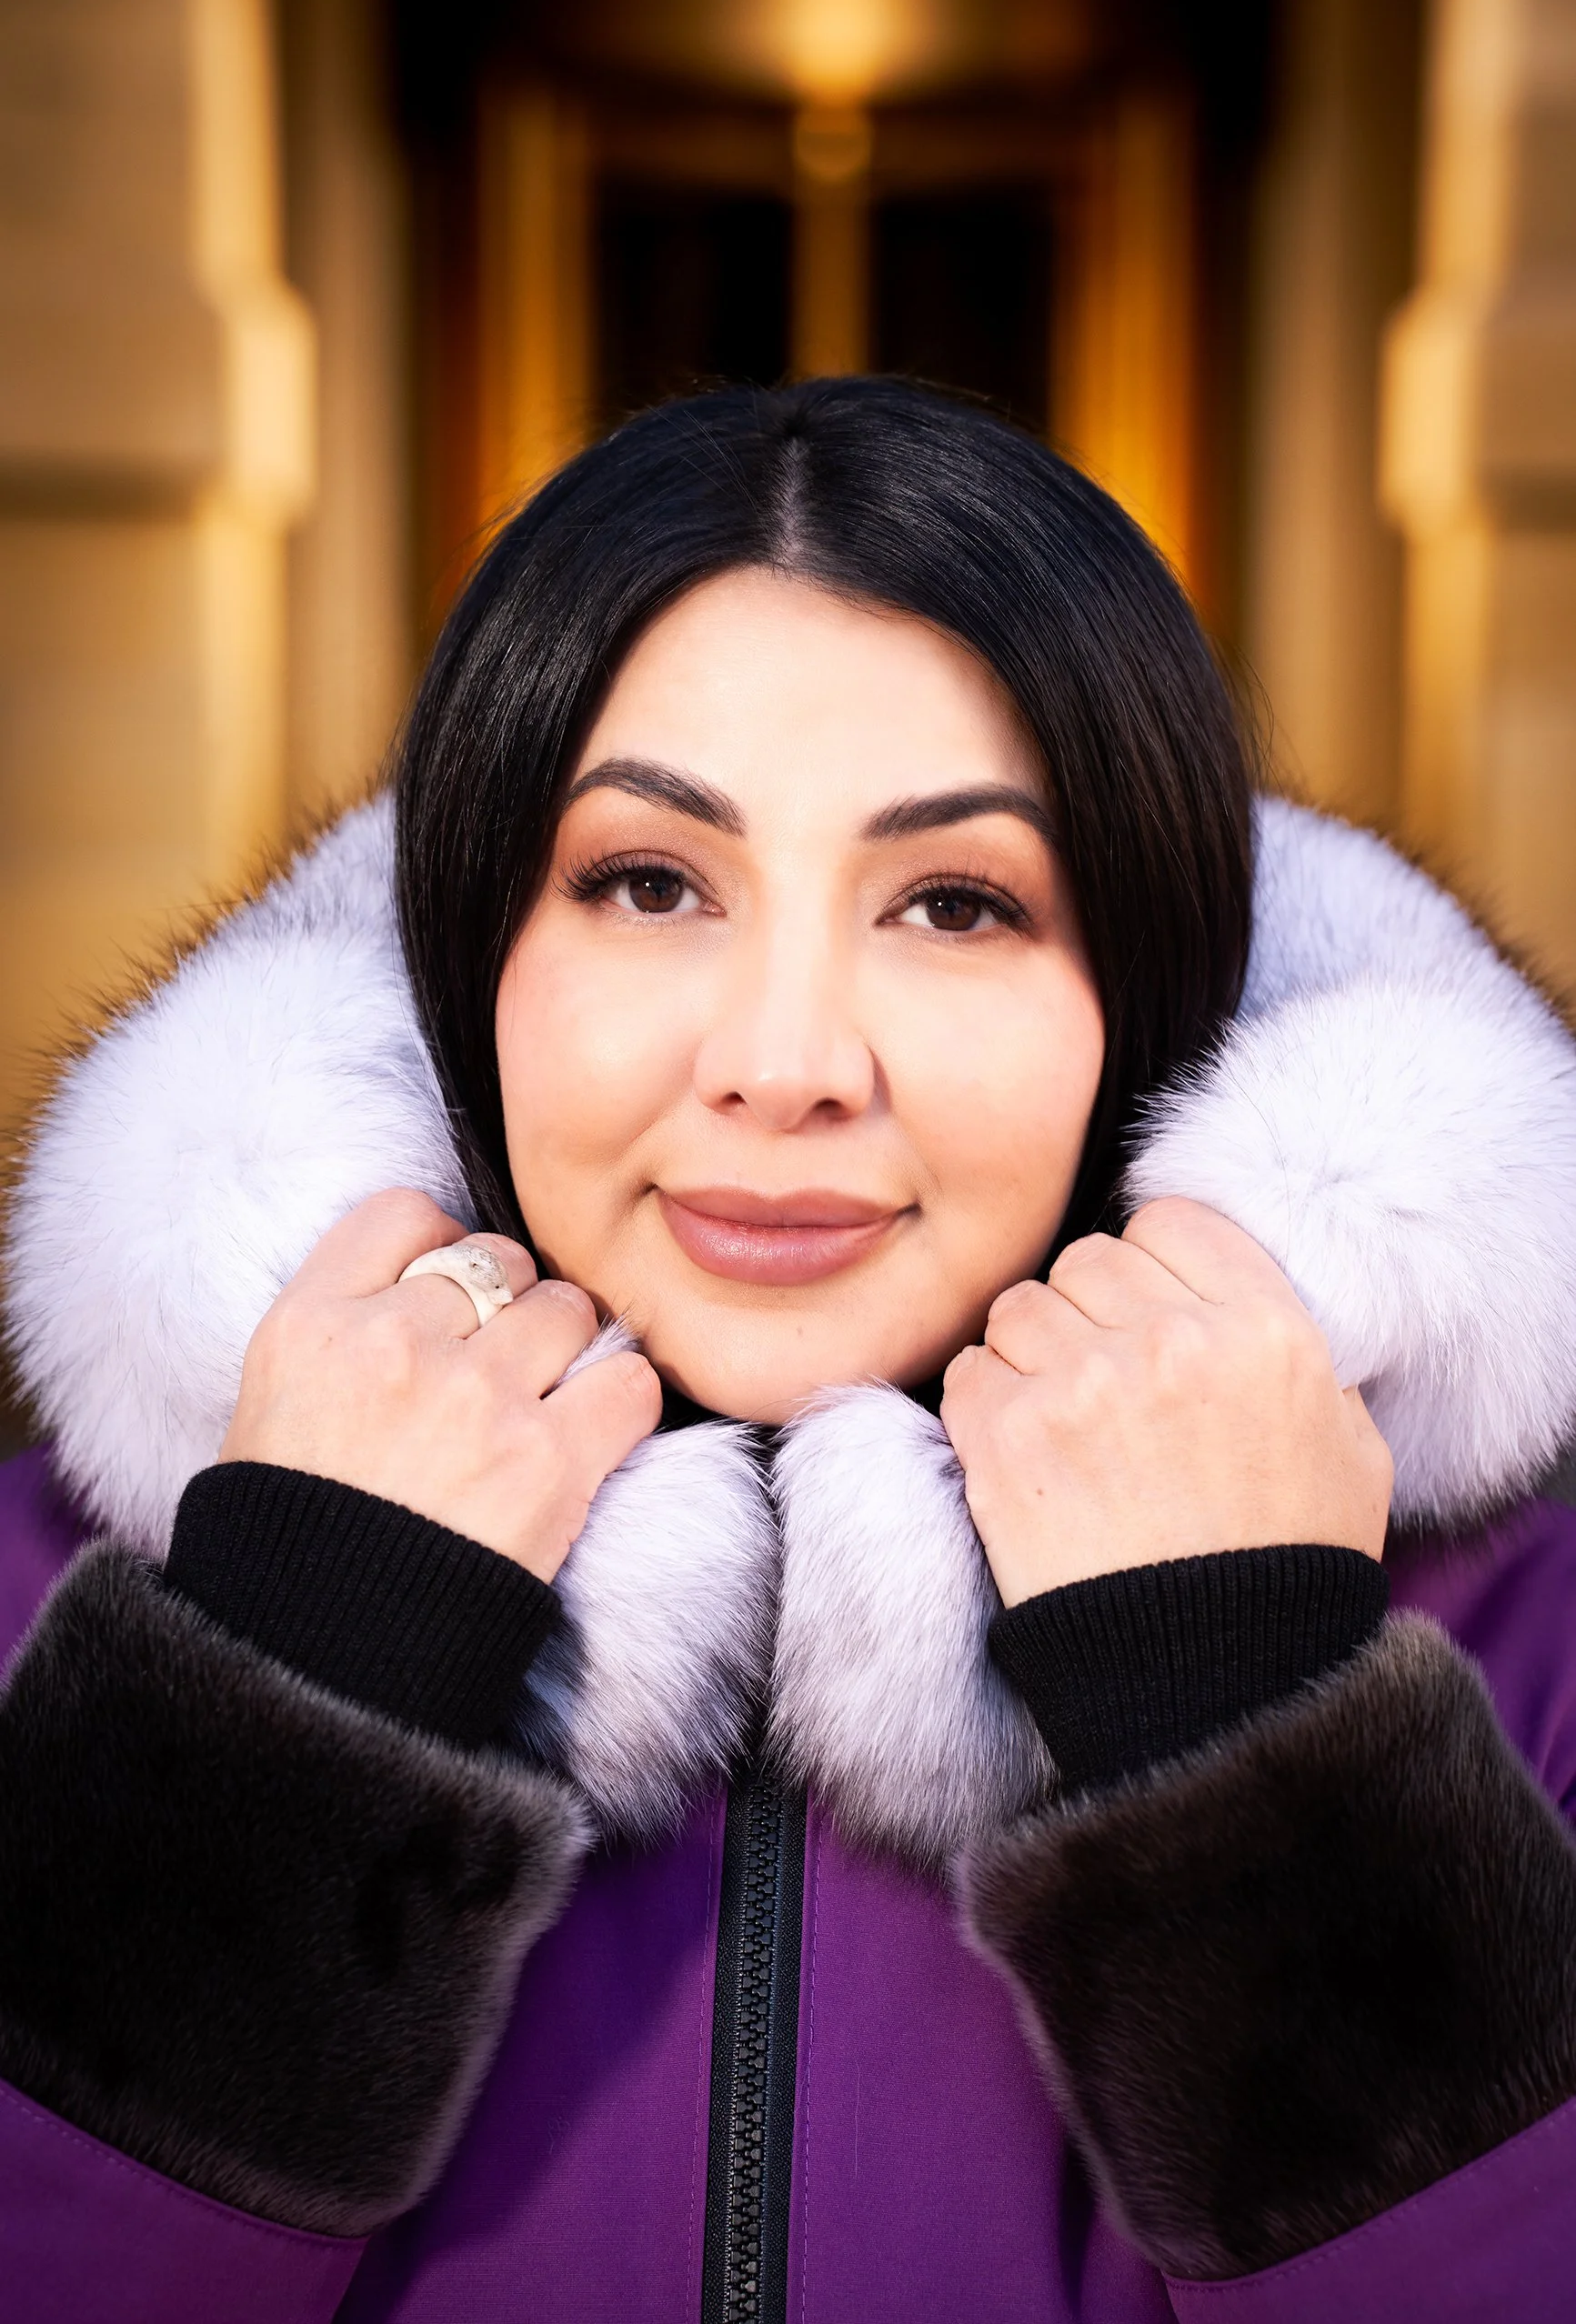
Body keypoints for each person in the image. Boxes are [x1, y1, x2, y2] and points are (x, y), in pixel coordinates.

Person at [3, 378, 1576, 2324]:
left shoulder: (1525, 1652)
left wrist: (1252, 1727)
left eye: (955, 903)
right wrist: (286, 1699)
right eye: (648, 883)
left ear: (1149, 989)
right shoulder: (55, 1608)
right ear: (470, 952)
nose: (785, 1062)